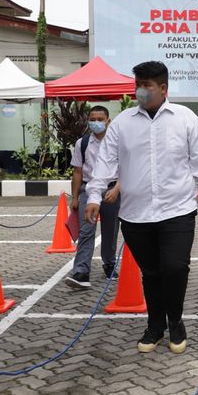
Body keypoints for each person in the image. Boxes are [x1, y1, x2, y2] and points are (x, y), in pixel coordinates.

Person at [84, 61, 198, 355]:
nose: (140, 91)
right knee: (151, 272)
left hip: (178, 210)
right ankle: (155, 325)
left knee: (175, 267)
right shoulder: (122, 123)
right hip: (135, 214)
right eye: (138, 85)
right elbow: (105, 161)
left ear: (163, 88)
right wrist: (94, 195)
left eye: (147, 86)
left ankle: (176, 320)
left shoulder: (184, 118)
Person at [65, 106, 121, 290]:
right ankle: (81, 272)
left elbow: (126, 169)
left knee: (110, 230)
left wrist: (118, 189)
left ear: (108, 121)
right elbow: (77, 171)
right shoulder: (83, 143)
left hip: (111, 191)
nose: (96, 122)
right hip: (88, 191)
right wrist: (75, 198)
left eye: (100, 118)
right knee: (86, 231)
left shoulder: (117, 142)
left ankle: (109, 264)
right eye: (92, 119)